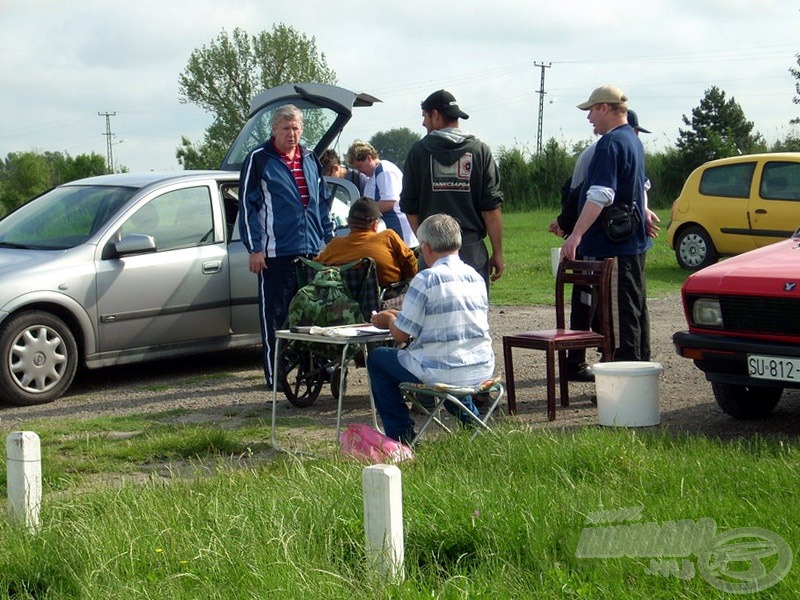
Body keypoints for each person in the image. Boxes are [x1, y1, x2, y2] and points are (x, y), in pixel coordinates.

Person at [548, 109, 660, 381]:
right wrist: (569, 226)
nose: (589, 119)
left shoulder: (614, 144)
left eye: (592, 112)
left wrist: (573, 232)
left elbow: (612, 191)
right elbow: (578, 193)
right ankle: (586, 363)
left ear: (606, 110)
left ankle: (624, 376)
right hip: (613, 240)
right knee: (606, 305)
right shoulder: (616, 145)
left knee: (617, 311)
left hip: (612, 243)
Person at [367, 214, 494, 442]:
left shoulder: (425, 279)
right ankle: (472, 425)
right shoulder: (475, 277)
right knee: (449, 358)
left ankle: (402, 437)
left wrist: (387, 319)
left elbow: (402, 334)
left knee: (378, 360)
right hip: (480, 366)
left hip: (441, 370)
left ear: (425, 248)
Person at [239, 104, 335, 390]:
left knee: (312, 315)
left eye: (295, 128)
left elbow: (322, 203)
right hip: (275, 253)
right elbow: (246, 206)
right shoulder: (259, 159)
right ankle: (276, 375)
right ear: (274, 130)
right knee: (277, 317)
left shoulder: (309, 158)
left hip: (311, 249)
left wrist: (327, 242)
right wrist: (254, 248)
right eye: (285, 128)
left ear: (302, 129)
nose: (291, 134)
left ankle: (314, 369)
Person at [400, 89, 504, 294]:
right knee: (473, 311)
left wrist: (424, 243)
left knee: (430, 314)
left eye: (425, 117)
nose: (423, 124)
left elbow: (410, 207)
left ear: (435, 115)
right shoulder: (480, 151)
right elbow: (491, 209)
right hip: (471, 246)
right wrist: (498, 252)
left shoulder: (418, 152)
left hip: (432, 249)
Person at [316, 197, 418, 288]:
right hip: (387, 301)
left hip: (344, 305)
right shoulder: (388, 237)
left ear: (349, 222)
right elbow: (410, 262)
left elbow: (315, 266)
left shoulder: (335, 245)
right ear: (375, 224)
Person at [345, 141, 418, 248]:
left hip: (399, 231)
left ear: (369, 158)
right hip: (388, 231)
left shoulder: (384, 170)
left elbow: (390, 202)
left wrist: (363, 216)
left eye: (360, 166)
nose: (360, 171)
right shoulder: (371, 178)